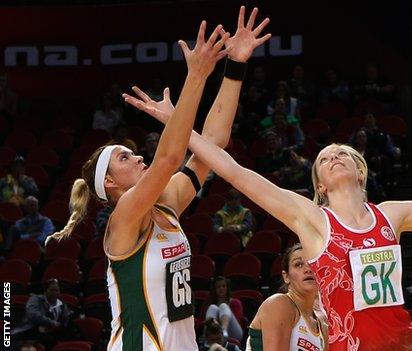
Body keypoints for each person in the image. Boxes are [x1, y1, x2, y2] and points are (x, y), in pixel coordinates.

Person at [141, 86, 412, 351]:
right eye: (324, 159)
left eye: (341, 153)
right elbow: (234, 172)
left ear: (361, 170)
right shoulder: (312, 220)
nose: (333, 157)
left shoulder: (391, 214)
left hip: (405, 344)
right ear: (319, 184)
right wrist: (179, 125)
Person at [45, 9, 270, 350]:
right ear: (110, 183)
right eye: (124, 156)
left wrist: (234, 66)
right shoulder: (123, 219)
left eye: (133, 152)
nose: (137, 156)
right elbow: (168, 158)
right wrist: (196, 76)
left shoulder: (165, 204)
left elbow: (213, 142)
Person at [247, 243, 327, 350]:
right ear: (286, 277)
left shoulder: (323, 327)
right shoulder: (279, 303)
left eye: (312, 263)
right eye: (298, 264)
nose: (308, 269)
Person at [13, 279, 73, 349]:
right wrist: (51, 323)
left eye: (56, 290)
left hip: (51, 334)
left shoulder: (62, 306)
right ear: (46, 291)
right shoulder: (36, 300)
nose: (54, 293)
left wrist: (56, 326)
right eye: (52, 290)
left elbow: (65, 322)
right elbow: (34, 316)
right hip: (31, 332)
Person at [205, 277, 244, 343]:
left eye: (223, 286)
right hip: (214, 332)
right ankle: (210, 335)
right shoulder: (209, 303)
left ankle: (223, 331)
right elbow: (201, 321)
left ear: (227, 288)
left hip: (233, 332)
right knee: (213, 307)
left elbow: (237, 319)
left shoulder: (235, 302)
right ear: (214, 289)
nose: (221, 288)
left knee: (223, 306)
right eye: (218, 287)